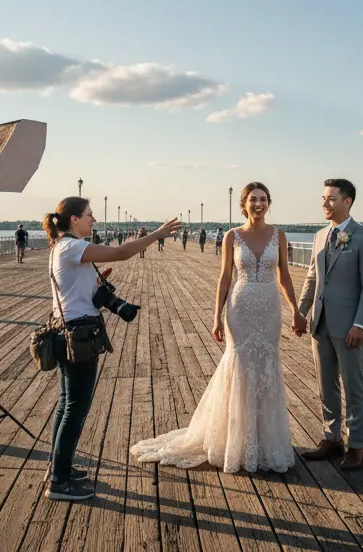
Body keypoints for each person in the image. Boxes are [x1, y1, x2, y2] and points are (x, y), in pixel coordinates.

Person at [132, 182, 304, 473]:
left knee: (266, 365)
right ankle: (234, 439)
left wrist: (296, 311)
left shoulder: (279, 235)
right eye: (253, 199)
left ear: (269, 203)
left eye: (263, 199)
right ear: (244, 204)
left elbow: (284, 275)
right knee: (239, 366)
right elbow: (225, 277)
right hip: (241, 307)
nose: (258, 204)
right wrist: (216, 317)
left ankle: (263, 440)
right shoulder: (232, 236)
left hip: (269, 308)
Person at [43, 197, 182, 501]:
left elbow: (78, 293)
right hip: (78, 335)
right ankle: (59, 482)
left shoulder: (64, 247)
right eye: (89, 215)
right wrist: (157, 234)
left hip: (67, 331)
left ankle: (59, 467)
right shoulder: (71, 247)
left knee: (67, 403)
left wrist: (97, 286)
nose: (94, 220)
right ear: (74, 220)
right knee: (74, 409)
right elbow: (120, 252)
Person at [297, 179, 363, 470]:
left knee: (353, 385)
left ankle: (355, 445)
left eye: (331, 199)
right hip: (319, 322)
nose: (324, 203)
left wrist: (360, 324)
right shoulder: (319, 236)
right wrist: (300, 312)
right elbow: (312, 278)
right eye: (323, 198)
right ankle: (331, 439)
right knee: (326, 385)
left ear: (347, 202)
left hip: (349, 327)